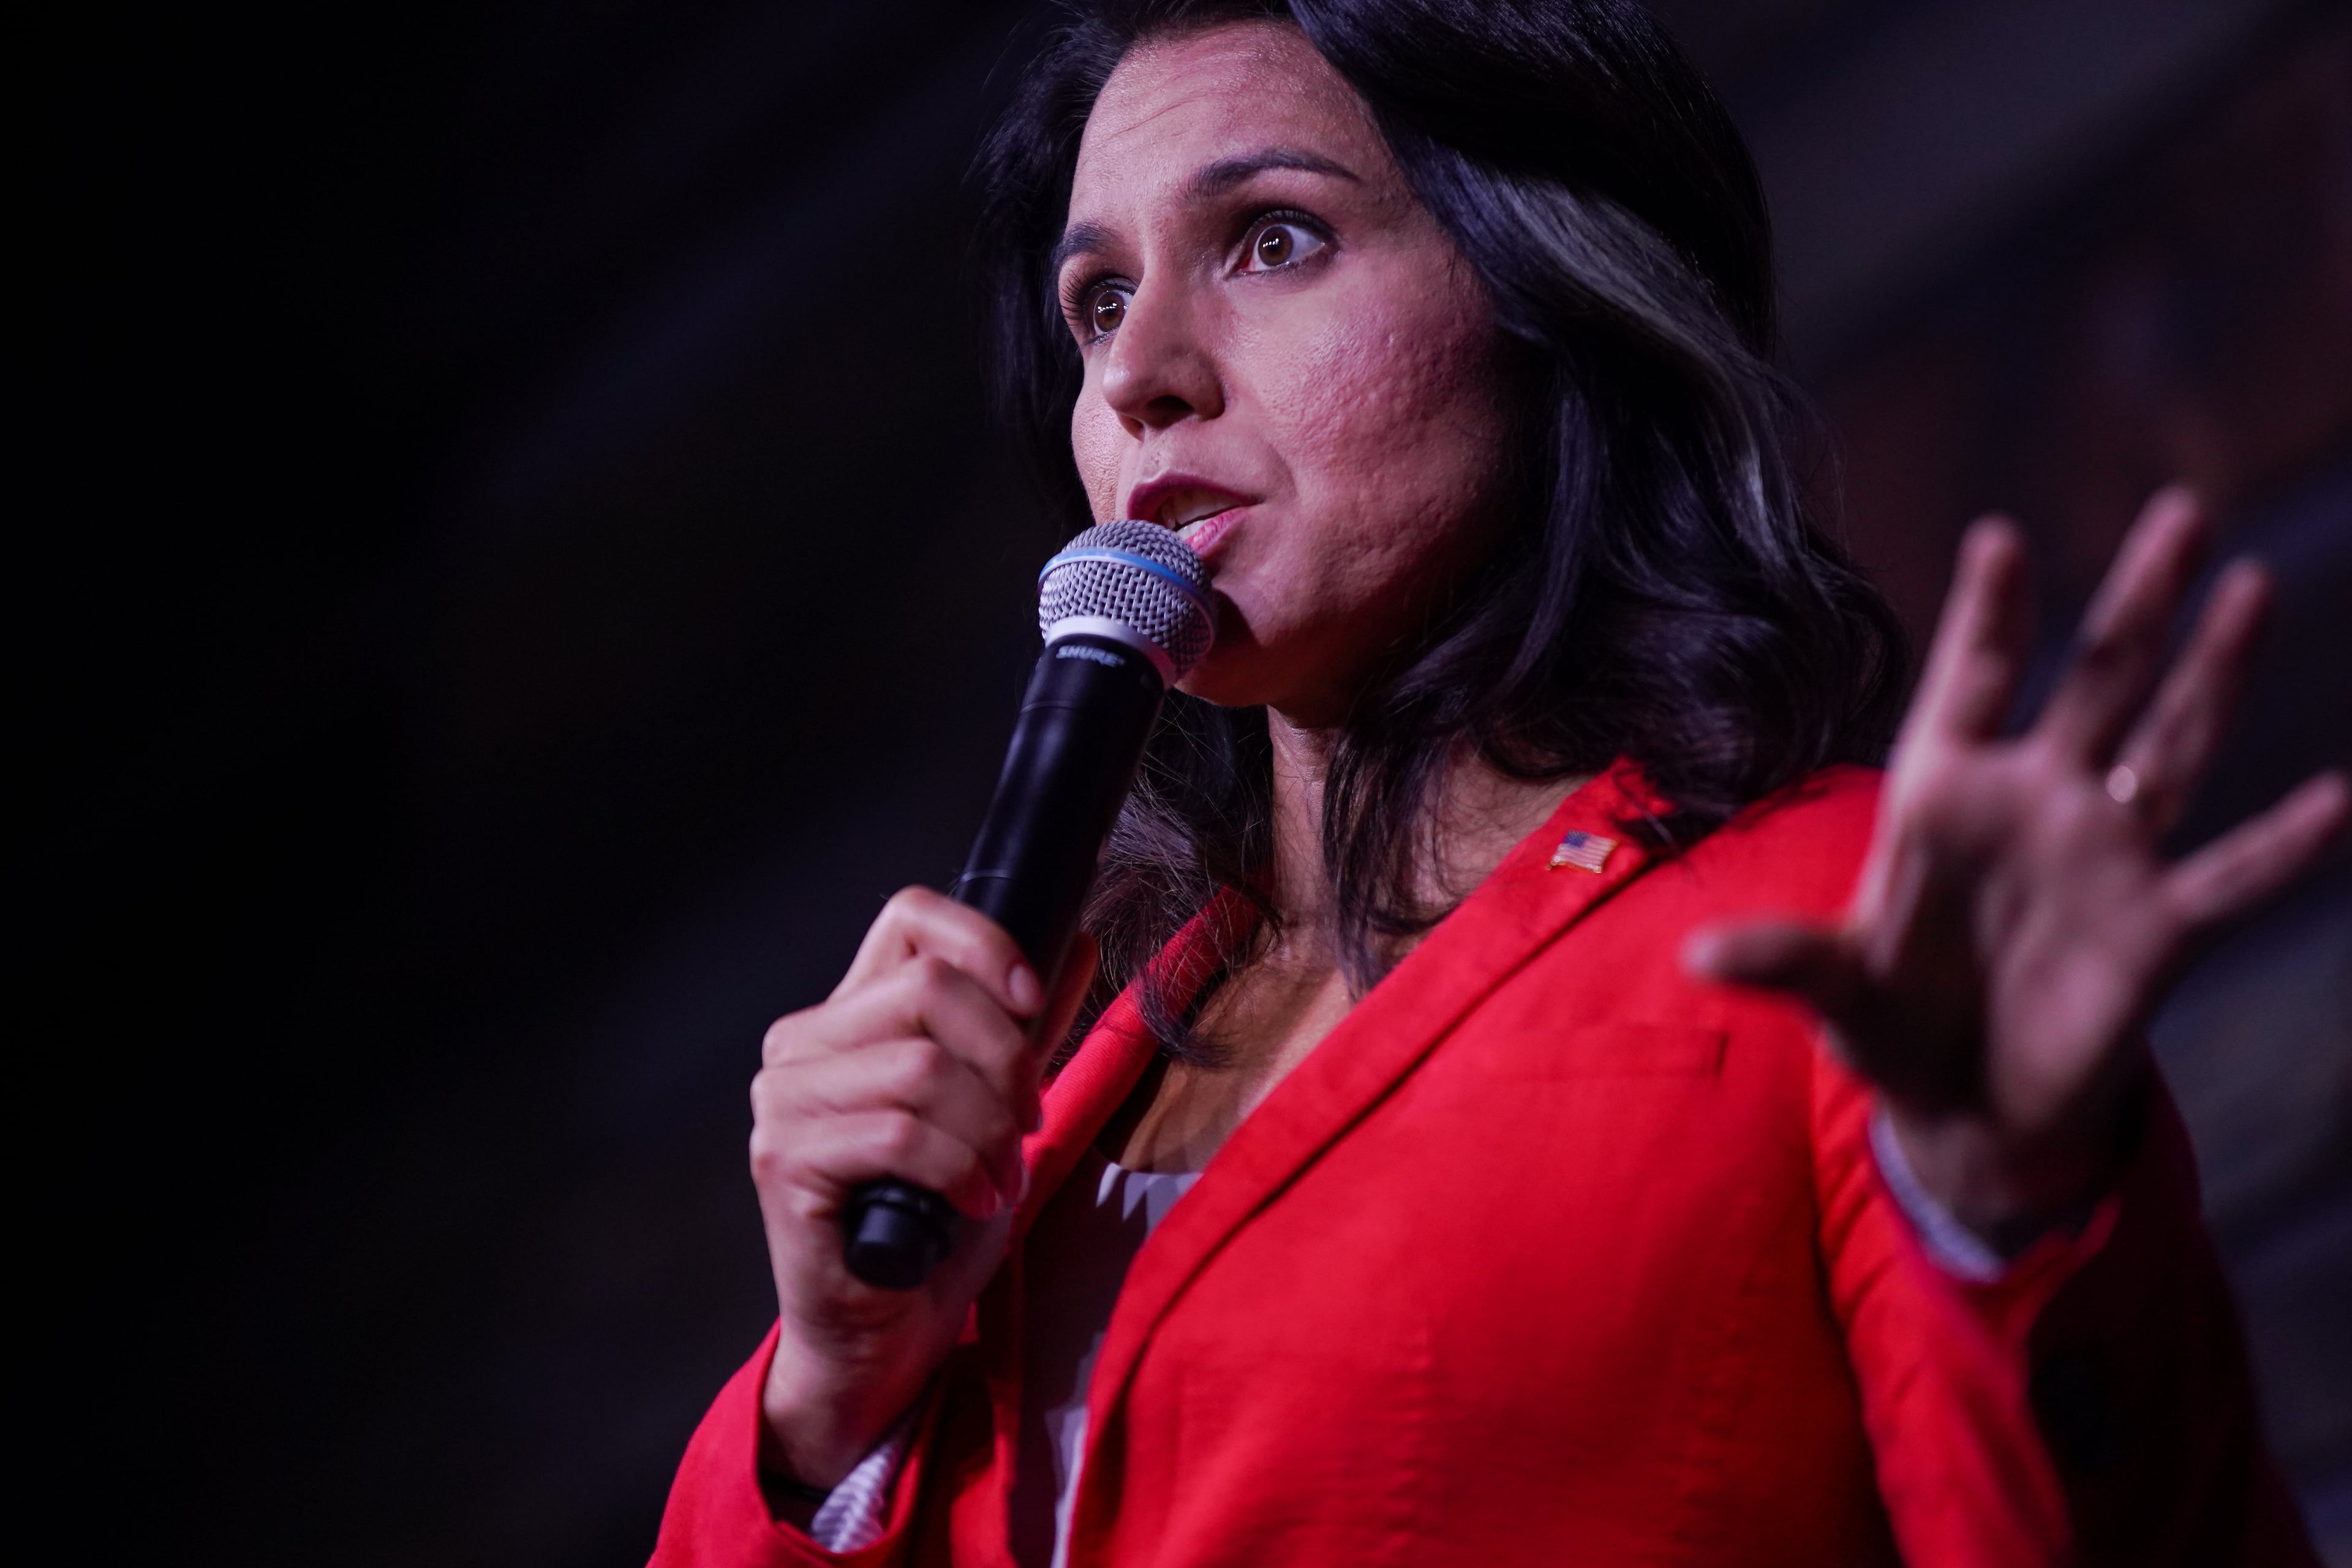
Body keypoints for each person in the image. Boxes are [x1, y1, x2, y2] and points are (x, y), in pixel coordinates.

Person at [652, 2, 2345, 1562]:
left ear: (1548, 301)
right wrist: (827, 1404)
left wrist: (2024, 1221)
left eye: (1273, 240)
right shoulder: (1024, 1084)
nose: (1139, 367)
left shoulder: (1847, 936)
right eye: (1097, 297)